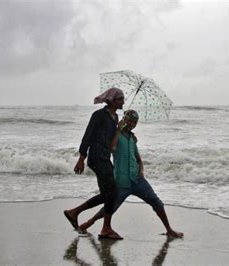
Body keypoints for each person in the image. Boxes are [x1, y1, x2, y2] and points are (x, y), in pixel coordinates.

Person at [78, 110, 183, 238]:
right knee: (111, 207)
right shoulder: (115, 135)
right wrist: (118, 130)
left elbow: (138, 159)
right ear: (124, 120)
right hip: (121, 181)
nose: (132, 124)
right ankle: (90, 222)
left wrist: (141, 171)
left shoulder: (132, 139)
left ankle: (169, 229)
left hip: (137, 180)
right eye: (130, 121)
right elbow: (112, 148)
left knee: (156, 202)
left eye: (135, 122)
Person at [64, 87, 124, 239]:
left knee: (109, 194)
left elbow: (112, 143)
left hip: (105, 157)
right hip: (96, 157)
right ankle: (106, 228)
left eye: (123, 99)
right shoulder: (98, 115)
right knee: (112, 192)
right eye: (120, 99)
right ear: (111, 100)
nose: (123, 101)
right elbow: (87, 136)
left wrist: (121, 129)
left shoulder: (115, 118)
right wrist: (81, 159)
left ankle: (74, 212)